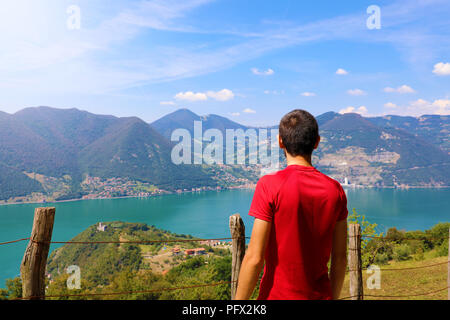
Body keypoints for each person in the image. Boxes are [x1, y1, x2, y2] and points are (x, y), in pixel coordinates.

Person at [234, 109, 348, 300]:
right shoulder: (335, 190)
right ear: (317, 142)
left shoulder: (269, 186)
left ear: (280, 142)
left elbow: (254, 258)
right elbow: (340, 258)